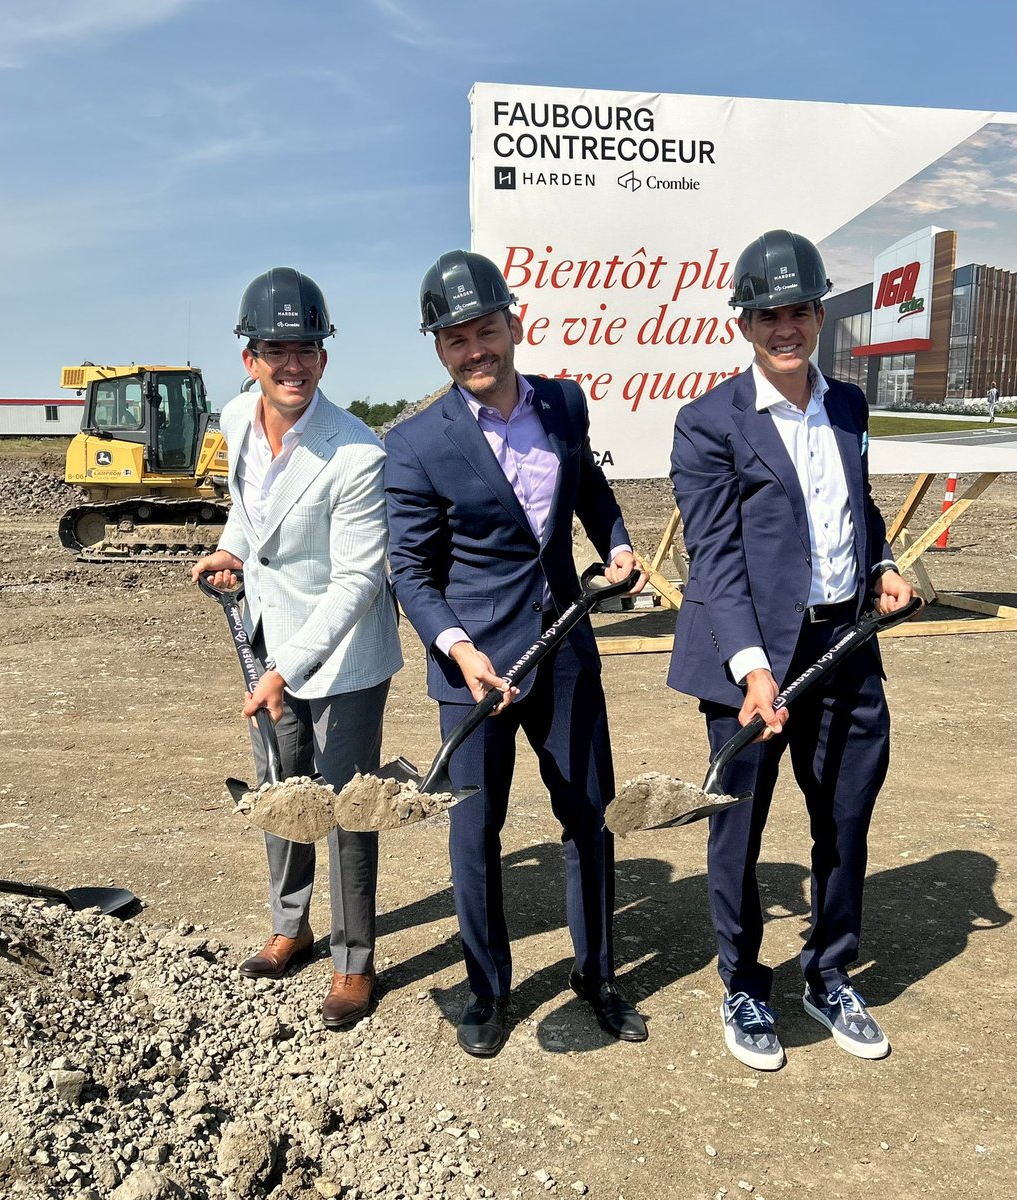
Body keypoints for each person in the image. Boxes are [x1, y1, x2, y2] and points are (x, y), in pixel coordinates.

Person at [384, 250, 648, 1057]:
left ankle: (597, 976)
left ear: (513, 323)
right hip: (476, 671)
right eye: (455, 337)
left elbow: (592, 491)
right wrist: (459, 651)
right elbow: (411, 571)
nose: (474, 348)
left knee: (589, 818)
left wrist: (619, 541)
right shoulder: (415, 444)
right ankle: (487, 991)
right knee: (476, 833)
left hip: (564, 647)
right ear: (438, 347)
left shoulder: (565, 405)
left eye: (486, 329)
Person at [668, 230, 916, 1070]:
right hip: (751, 663)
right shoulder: (707, 424)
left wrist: (881, 564)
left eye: (800, 310)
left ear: (819, 314)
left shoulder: (846, 404)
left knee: (846, 816)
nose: (786, 326)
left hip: (844, 643)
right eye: (769, 312)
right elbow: (716, 556)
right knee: (737, 830)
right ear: (744, 320)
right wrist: (752, 668)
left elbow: (856, 510)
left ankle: (830, 971)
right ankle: (743, 983)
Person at [192, 268, 403, 1028]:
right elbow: (251, 514)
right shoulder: (235, 416)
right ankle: (291, 924)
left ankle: (354, 961)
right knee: (281, 792)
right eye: (277, 347)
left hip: (342, 659)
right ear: (250, 358)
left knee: (345, 806)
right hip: (269, 638)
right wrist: (230, 551)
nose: (293, 363)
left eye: (307, 347)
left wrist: (286, 669)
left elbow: (356, 584)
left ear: (323, 355)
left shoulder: (355, 453)